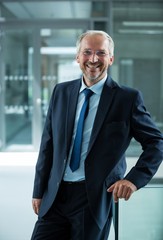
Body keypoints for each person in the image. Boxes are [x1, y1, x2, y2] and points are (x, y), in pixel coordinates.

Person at [31, 30, 163, 240]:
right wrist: (38, 190)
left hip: (93, 200)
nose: (93, 59)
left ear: (111, 58)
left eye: (101, 53)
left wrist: (133, 180)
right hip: (55, 197)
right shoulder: (61, 92)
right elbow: (48, 144)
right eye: (87, 52)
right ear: (78, 57)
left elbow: (156, 142)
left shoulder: (127, 98)